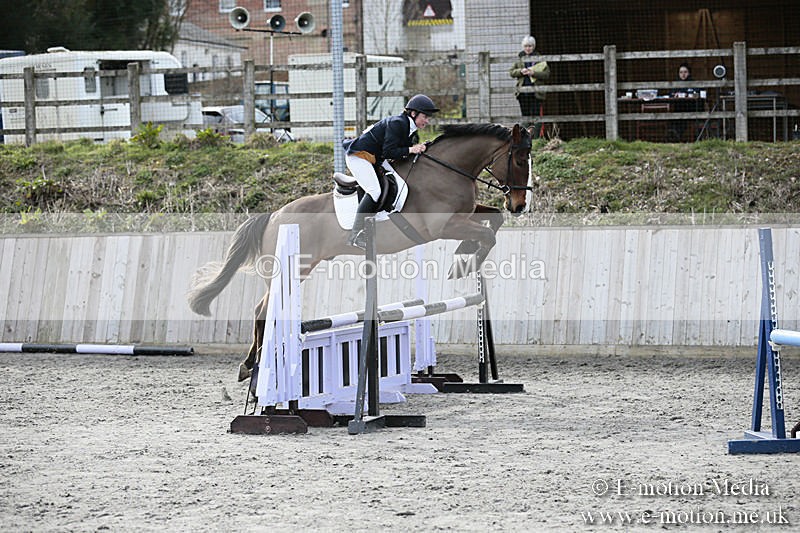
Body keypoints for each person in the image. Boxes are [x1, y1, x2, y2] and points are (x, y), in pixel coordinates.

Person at [342, 94, 439, 249]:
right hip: (359, 156)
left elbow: (399, 152)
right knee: (374, 191)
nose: (427, 121)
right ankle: (355, 235)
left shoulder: (408, 126)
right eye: (425, 116)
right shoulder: (398, 123)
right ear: (413, 114)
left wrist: (415, 149)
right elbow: (389, 152)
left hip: (375, 158)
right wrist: (411, 149)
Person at [509, 36, 550, 137]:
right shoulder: (519, 58)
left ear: (533, 46)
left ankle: (535, 138)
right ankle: (525, 138)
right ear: (523, 47)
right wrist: (520, 71)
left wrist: (534, 73)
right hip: (522, 92)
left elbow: (546, 74)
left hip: (536, 92)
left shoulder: (539, 58)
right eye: (526, 46)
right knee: (525, 116)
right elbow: (511, 72)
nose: (528, 48)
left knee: (536, 117)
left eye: (530, 46)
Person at [669, 62, 702, 142]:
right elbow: (671, 94)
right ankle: (675, 136)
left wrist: (689, 95)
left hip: (692, 109)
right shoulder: (676, 84)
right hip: (679, 109)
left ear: (689, 73)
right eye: (681, 72)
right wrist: (674, 95)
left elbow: (698, 94)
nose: (683, 74)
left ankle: (678, 136)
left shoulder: (693, 83)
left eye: (685, 72)